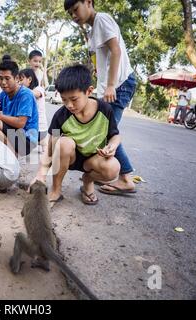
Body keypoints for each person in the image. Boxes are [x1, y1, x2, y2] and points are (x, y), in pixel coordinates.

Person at [64, 0, 137, 195]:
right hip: (110, 86)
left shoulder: (102, 19)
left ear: (89, 2)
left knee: (107, 132)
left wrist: (111, 85)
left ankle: (125, 178)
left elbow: (116, 51)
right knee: (105, 132)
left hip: (119, 84)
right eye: (70, 13)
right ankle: (114, 173)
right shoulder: (93, 28)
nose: (73, 16)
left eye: (76, 9)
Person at [31, 65, 121, 206]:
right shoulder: (61, 115)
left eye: (74, 99)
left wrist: (112, 146)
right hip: (70, 158)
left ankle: (87, 180)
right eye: (64, 99)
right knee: (63, 143)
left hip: (93, 160)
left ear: (89, 91)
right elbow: (50, 147)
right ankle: (56, 190)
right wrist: (41, 174)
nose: (69, 105)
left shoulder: (105, 109)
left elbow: (115, 135)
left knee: (113, 169)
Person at [0, 59, 39, 157]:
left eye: (7, 78)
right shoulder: (3, 94)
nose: (3, 82)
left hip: (27, 140)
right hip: (14, 133)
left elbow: (20, 123)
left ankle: (12, 159)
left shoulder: (25, 94)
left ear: (17, 78)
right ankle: (7, 158)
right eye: (1, 78)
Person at [18, 68, 48, 153]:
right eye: (18, 80)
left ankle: (42, 143)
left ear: (30, 79)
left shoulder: (39, 89)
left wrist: (19, 88)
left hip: (40, 129)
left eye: (21, 79)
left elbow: (36, 94)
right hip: (31, 129)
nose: (19, 83)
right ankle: (41, 144)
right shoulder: (23, 93)